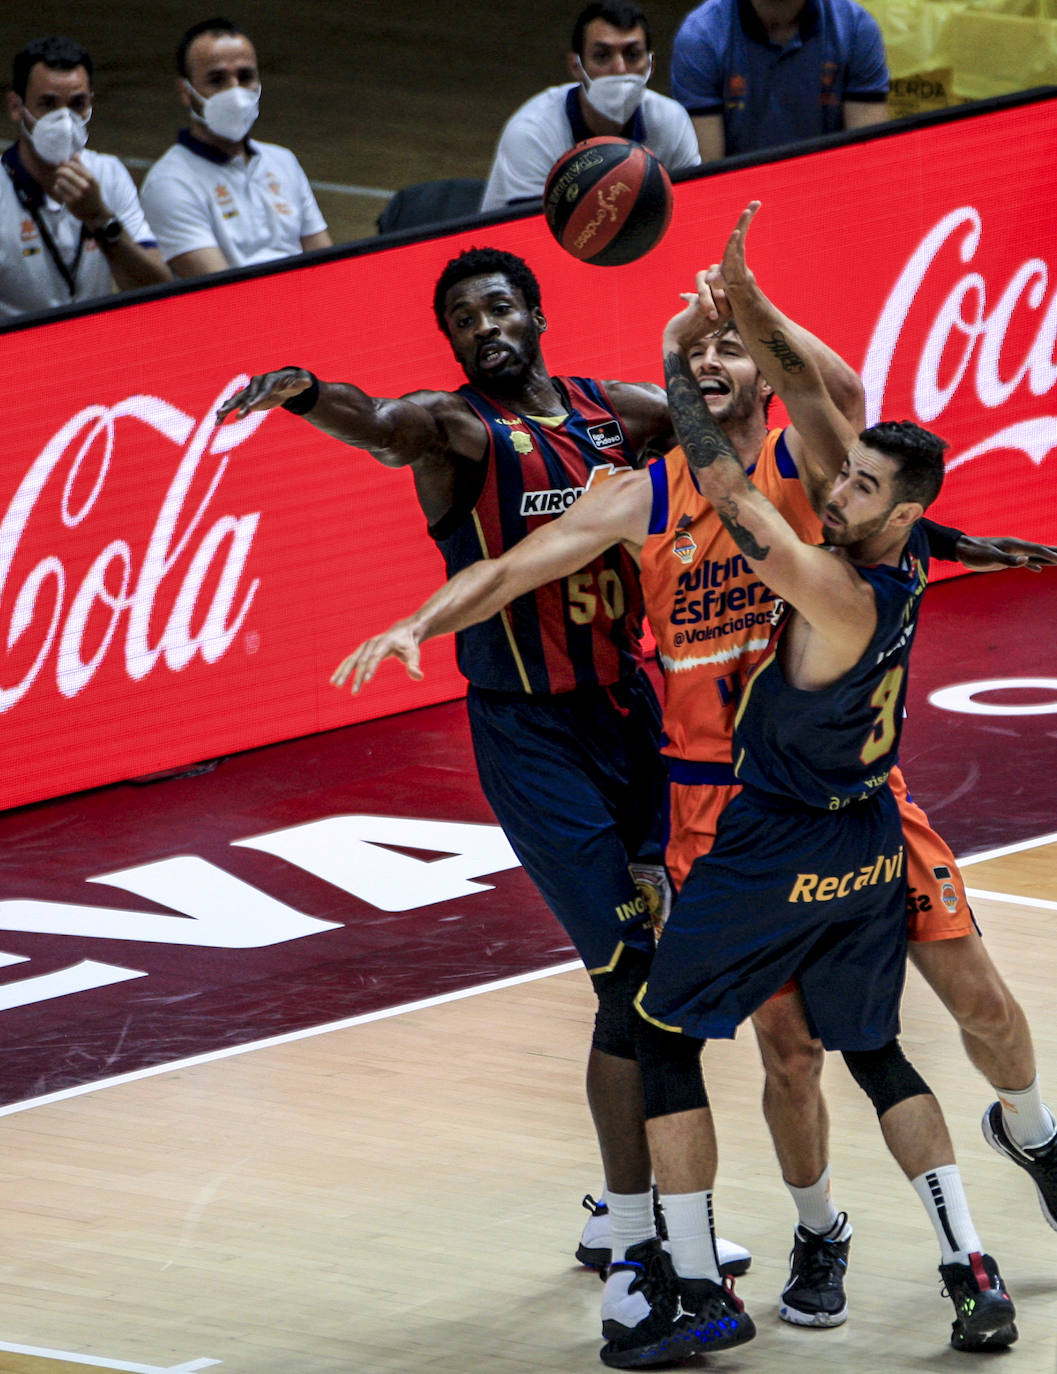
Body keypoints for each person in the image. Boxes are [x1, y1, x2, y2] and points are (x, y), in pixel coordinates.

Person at [332, 205, 1052, 1360]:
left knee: (976, 1000)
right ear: (675, 388)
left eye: (730, 354)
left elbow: (844, 397)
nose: (711, 365)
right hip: (713, 805)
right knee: (796, 1053)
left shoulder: (807, 472)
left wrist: (748, 308)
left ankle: (1029, 1136)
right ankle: (825, 1238)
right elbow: (512, 566)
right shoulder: (638, 495)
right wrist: (419, 617)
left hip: (840, 789)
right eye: (695, 355)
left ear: (757, 376)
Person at [216, 242, 750, 1291]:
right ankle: (642, 1231)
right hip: (530, 737)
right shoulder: (458, 430)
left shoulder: (621, 413)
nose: (485, 328)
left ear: (538, 311)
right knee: (629, 976)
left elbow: (721, 429)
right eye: (464, 319)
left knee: (655, 980)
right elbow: (380, 426)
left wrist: (717, 340)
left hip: (634, 716)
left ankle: (624, 1217)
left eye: (499, 308)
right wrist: (303, 393)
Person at [140, 17, 332, 279]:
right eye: (217, 80)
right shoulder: (169, 183)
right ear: (186, 92)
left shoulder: (283, 161)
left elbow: (327, 267)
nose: (235, 91)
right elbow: (222, 294)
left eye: (245, 77)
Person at [0, 35, 170, 323]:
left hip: (96, 346)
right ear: (17, 107)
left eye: (77, 104)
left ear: (91, 103)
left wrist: (101, 220)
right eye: (48, 104)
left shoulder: (109, 173)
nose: (65, 122)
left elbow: (158, 290)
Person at [480, 1, 700, 213]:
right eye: (602, 56)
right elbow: (531, 237)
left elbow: (692, 210)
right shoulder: (532, 132)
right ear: (576, 66)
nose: (620, 69)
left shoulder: (672, 121)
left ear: (651, 64)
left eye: (632, 55)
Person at [670, 0, 890, 163]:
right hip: (741, 201)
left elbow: (867, 160)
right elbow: (709, 172)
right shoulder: (700, 37)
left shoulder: (856, 27)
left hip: (832, 193)